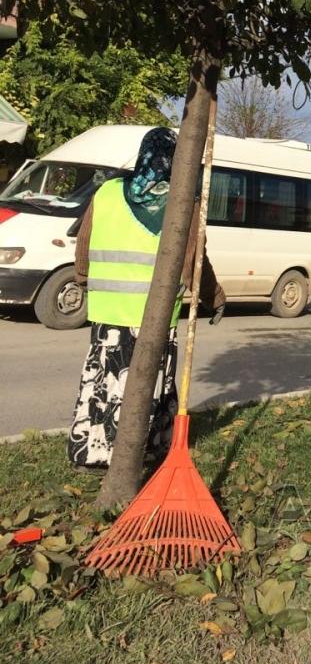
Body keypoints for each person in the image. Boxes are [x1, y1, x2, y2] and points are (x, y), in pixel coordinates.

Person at [67, 127, 225, 469]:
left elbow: (84, 244)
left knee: (103, 383)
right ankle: (146, 451)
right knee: (148, 387)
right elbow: (194, 263)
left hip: (107, 314)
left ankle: (92, 452)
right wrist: (214, 297)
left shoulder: (107, 191)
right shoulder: (182, 203)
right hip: (156, 316)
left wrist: (83, 278)